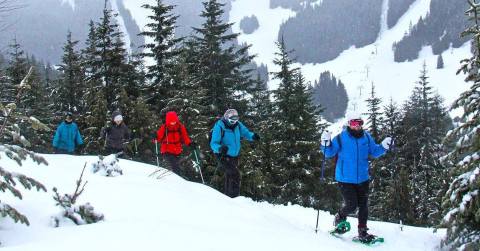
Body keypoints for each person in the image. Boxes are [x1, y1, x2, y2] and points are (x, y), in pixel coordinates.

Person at [320, 111, 392, 243]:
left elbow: (374, 152)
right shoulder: (341, 138)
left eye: (359, 123)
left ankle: (362, 231)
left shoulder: (366, 137)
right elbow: (329, 153)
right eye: (353, 123)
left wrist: (383, 146)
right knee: (352, 205)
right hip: (345, 178)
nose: (356, 126)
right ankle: (340, 216)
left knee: (363, 205)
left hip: (363, 177)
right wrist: (325, 143)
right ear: (349, 124)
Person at [210, 109, 260, 198]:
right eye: (231, 120)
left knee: (230, 175)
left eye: (235, 120)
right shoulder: (220, 126)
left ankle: (227, 197)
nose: (233, 122)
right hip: (223, 154)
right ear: (226, 118)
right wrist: (220, 148)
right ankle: (234, 197)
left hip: (234, 155)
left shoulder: (237, 125)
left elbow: (246, 133)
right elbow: (213, 143)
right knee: (235, 173)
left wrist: (253, 136)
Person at [155, 111, 193, 176]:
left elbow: (185, 136)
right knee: (174, 166)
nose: (173, 123)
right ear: (168, 121)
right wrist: (155, 137)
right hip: (166, 149)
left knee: (177, 165)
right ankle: (176, 178)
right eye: (171, 121)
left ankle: (178, 178)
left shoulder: (180, 127)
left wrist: (190, 143)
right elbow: (158, 138)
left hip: (177, 150)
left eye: (174, 121)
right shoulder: (164, 127)